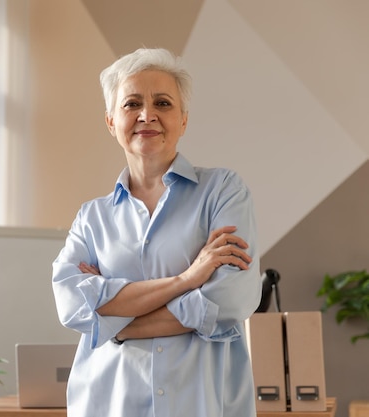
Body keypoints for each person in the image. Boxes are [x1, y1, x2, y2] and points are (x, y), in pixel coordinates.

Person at [52, 48, 262, 417]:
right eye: (132, 103)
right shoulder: (91, 218)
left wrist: (116, 323)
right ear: (111, 121)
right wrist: (188, 279)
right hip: (107, 406)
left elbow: (232, 299)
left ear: (183, 120)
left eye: (162, 103)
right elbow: (73, 306)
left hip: (202, 406)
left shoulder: (223, 191)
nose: (147, 115)